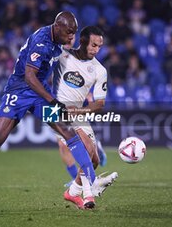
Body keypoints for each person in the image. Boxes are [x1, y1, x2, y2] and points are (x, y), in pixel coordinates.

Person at [0, 11, 99, 213]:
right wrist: (54, 101)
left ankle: (88, 186)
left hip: (39, 95)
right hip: (20, 91)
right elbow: (30, 77)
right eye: (69, 33)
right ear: (57, 27)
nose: (71, 37)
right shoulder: (42, 41)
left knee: (68, 132)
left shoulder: (58, 40)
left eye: (74, 33)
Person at [53, 26, 118, 209]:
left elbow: (99, 104)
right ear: (82, 41)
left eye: (100, 46)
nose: (97, 50)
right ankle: (89, 195)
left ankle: (72, 192)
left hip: (78, 114)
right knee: (87, 148)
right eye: (94, 45)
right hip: (57, 111)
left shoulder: (99, 70)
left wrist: (79, 112)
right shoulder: (62, 56)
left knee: (94, 161)